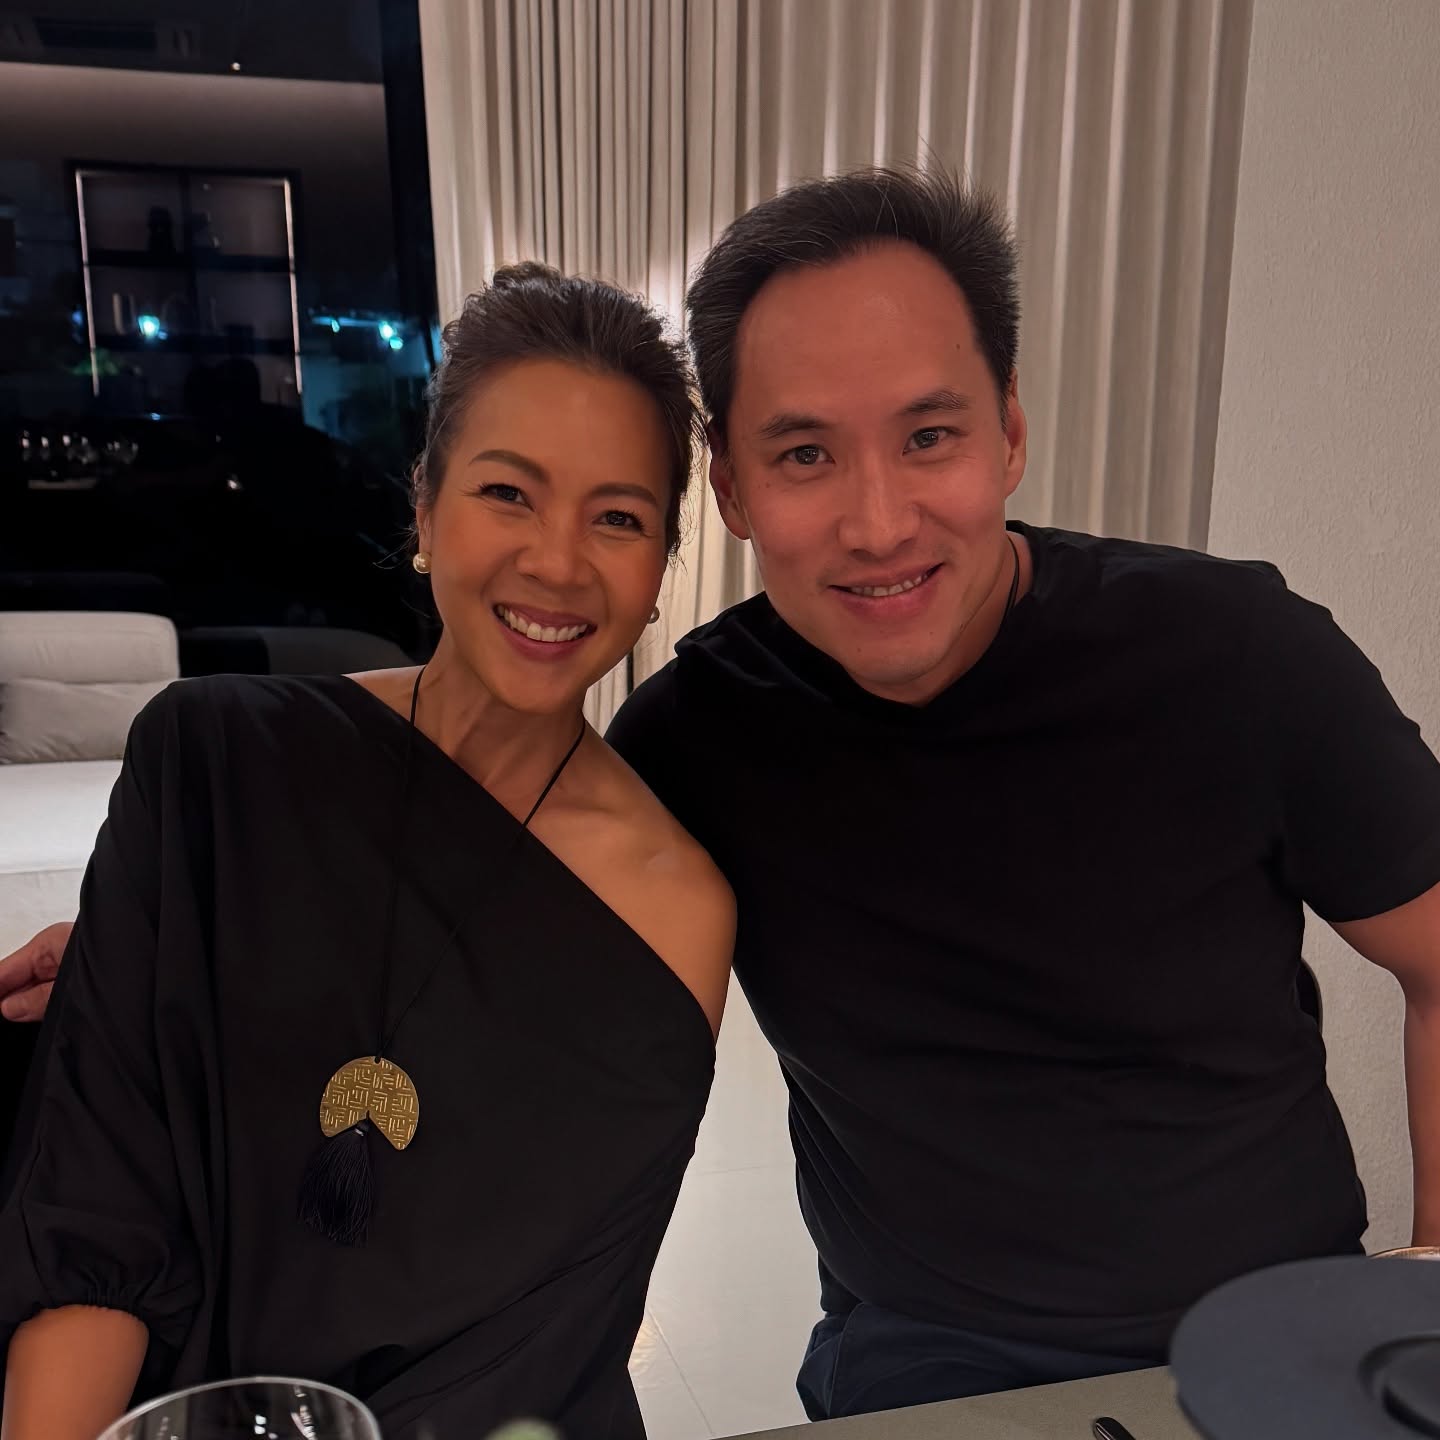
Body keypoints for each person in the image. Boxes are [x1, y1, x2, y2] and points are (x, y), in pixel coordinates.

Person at [9, 167, 1440, 1422]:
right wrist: (181, 952)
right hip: (924, 1358)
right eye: (806, 453)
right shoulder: (701, 736)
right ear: (736, 490)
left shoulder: (1236, 656)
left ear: (1009, 431)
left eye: (929, 436)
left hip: (1275, 1327)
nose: (877, 521)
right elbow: (475, 889)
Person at [0, 263, 734, 1440]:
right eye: (509, 492)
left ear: (659, 571)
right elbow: (98, 1204)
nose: (557, 562)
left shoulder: (673, 908)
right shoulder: (218, 760)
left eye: (618, 517)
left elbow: (547, 1334)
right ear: (425, 509)